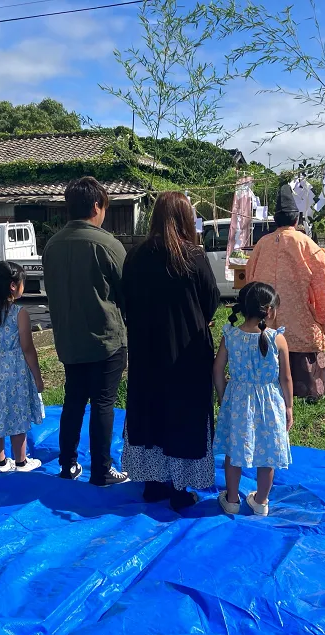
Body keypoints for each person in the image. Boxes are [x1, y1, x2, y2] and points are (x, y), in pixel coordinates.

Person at [121, 191, 221, 511]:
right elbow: (211, 302)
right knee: (184, 417)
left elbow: (126, 303)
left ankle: (153, 483)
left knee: (151, 414)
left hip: (146, 350)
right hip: (186, 353)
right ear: (186, 218)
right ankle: (180, 488)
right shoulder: (194, 256)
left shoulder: (135, 256)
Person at [42, 176, 129, 487]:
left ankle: (68, 464)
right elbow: (126, 291)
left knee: (74, 401)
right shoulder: (107, 244)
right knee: (103, 403)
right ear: (96, 206)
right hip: (105, 339)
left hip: (69, 339)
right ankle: (102, 470)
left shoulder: (52, 245)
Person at [246, 183, 325, 402]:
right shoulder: (307, 243)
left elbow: (250, 278)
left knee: (268, 338)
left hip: (266, 318)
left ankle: (268, 392)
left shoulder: (262, 244)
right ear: (296, 220)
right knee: (305, 333)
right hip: (299, 317)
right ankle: (309, 391)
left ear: (275, 221)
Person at [213, 282, 293, 516]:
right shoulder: (278, 339)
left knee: (233, 450)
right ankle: (261, 501)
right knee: (268, 453)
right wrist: (288, 406)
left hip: (237, 401)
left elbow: (217, 370)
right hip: (270, 403)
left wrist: (222, 395)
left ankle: (231, 499)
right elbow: (286, 378)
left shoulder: (230, 336)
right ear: (269, 311)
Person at [0, 261, 45, 473]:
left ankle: (0, 463)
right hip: (16, 372)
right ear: (13, 286)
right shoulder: (19, 313)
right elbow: (28, 348)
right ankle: (22, 462)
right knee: (17, 416)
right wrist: (38, 377)